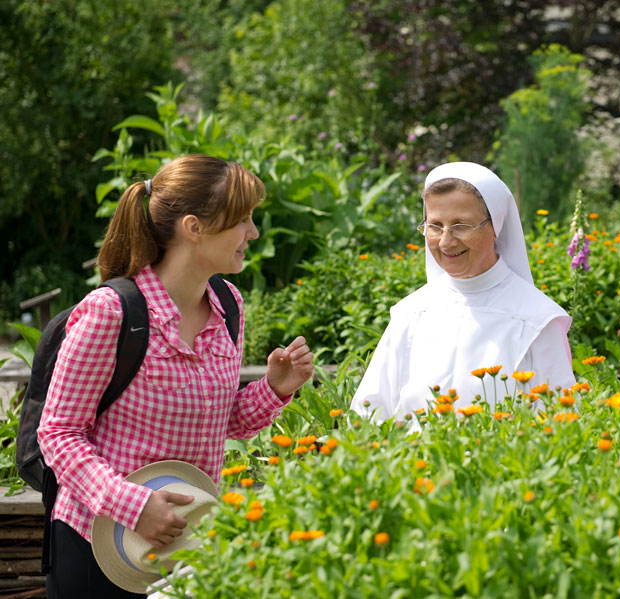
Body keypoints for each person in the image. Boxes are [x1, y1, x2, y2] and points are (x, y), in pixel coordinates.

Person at [37, 154, 314, 598]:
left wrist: (274, 389)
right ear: (194, 227)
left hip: (183, 548)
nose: (253, 233)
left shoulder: (228, 305)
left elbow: (218, 422)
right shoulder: (111, 314)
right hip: (95, 546)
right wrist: (133, 505)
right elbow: (59, 433)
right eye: (242, 220)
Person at [350, 162, 575, 427]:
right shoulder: (411, 313)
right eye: (435, 226)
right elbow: (367, 415)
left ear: (495, 228)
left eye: (460, 225)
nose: (445, 242)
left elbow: (563, 426)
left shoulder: (537, 319)